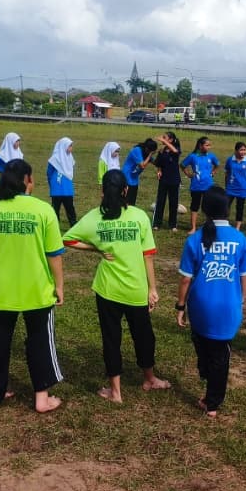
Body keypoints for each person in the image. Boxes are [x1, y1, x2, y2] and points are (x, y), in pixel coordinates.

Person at [63, 170, 169, 403]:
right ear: (126, 190)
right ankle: (149, 379)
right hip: (135, 288)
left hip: (107, 289)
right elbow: (148, 256)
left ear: (102, 191)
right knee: (144, 336)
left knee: (111, 338)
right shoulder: (139, 216)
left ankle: (116, 392)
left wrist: (96, 248)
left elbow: (68, 239)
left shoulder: (94, 217)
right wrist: (152, 289)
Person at [0, 160, 65, 413]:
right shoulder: (43, 210)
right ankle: (41, 398)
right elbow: (54, 255)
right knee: (39, 340)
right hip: (36, 289)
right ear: (27, 180)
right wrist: (59, 285)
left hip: (1, 289)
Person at [176, 186, 246, 416]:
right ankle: (213, 401)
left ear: (205, 210)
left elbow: (185, 280)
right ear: (228, 210)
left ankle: (209, 384)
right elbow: (244, 275)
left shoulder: (194, 239)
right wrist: (241, 299)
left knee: (205, 345)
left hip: (200, 305)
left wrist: (180, 306)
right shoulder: (239, 239)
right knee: (220, 354)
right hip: (228, 306)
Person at [182, 136, 219, 235]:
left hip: (208, 185)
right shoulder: (193, 156)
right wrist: (188, 174)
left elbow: (217, 164)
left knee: (208, 206)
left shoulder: (211, 156)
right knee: (195, 207)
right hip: (196, 186)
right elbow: (182, 165)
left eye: (210, 145)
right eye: (207, 145)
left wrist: (213, 172)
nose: (209, 147)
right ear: (200, 145)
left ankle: (208, 226)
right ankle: (193, 227)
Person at [152, 132, 182, 231]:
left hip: (174, 180)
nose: (162, 139)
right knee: (160, 201)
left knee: (173, 203)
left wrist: (164, 141)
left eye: (165, 137)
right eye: (162, 137)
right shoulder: (162, 151)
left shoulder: (176, 148)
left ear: (171, 140)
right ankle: (157, 223)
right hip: (164, 180)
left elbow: (175, 152)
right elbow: (159, 163)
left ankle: (172, 224)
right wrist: (159, 171)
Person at [47, 137, 77, 227]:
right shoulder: (54, 159)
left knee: (70, 207)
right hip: (57, 189)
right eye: (69, 146)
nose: (71, 148)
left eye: (71, 146)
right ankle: (54, 225)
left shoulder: (70, 158)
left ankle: (73, 224)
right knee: (55, 208)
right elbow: (49, 173)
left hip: (67, 189)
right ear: (63, 146)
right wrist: (52, 184)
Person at [224, 142, 246, 230]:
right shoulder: (230, 160)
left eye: (245, 150)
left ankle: (237, 227)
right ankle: (225, 222)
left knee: (240, 207)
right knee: (226, 205)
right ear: (236, 150)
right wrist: (226, 185)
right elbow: (227, 173)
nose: (243, 152)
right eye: (241, 150)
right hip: (231, 188)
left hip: (243, 189)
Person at [121, 138, 158, 207]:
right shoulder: (137, 150)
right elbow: (142, 165)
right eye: (151, 152)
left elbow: (156, 163)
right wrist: (150, 155)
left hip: (134, 178)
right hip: (127, 176)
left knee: (132, 201)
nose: (151, 154)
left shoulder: (146, 153)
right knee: (126, 200)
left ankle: (131, 214)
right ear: (147, 149)